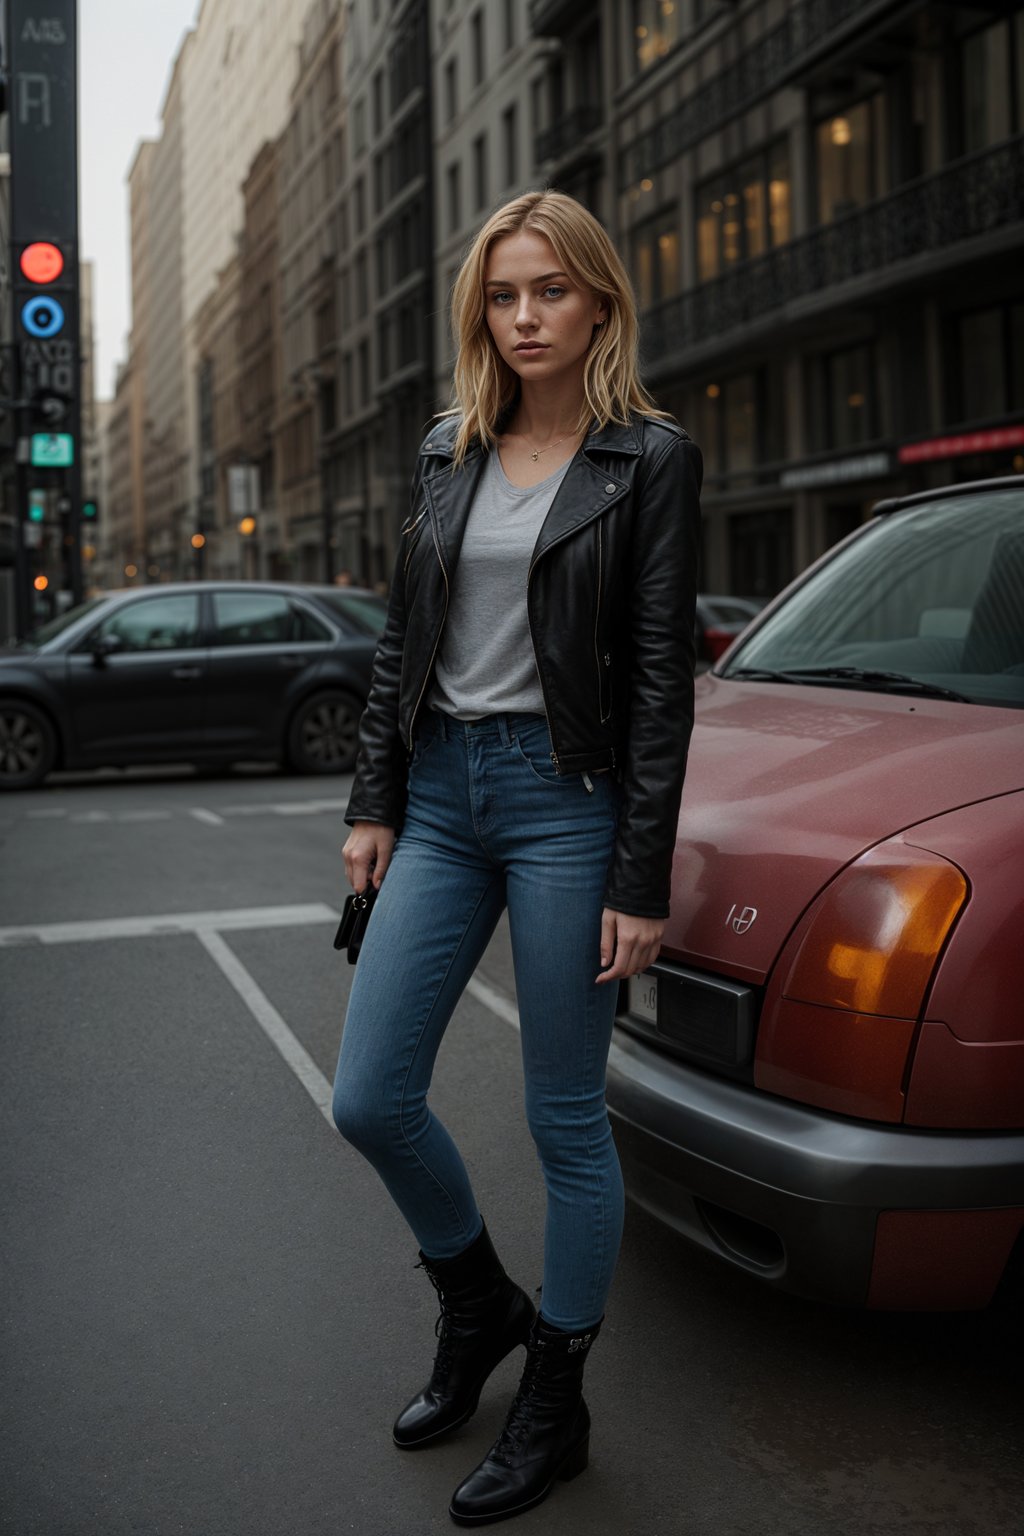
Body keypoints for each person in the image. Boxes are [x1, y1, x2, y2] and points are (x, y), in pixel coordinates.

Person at [332, 189, 702, 1527]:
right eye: (504, 294)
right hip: (437, 797)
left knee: (562, 1118)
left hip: (567, 806)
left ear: (598, 299)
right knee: (368, 1095)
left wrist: (639, 878)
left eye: (551, 289)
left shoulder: (648, 460)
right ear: (479, 312)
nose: (527, 315)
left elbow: (662, 681)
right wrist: (373, 799)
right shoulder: (450, 449)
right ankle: (477, 1299)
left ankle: (557, 1393)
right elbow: (399, 642)